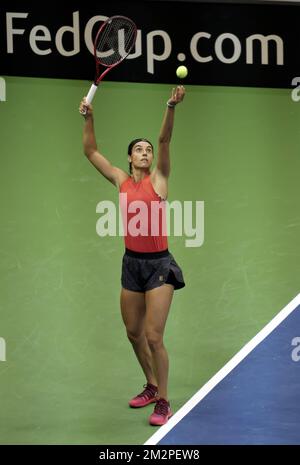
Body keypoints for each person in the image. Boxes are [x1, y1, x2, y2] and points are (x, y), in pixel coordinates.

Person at [79, 86, 186, 426]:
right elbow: (91, 151)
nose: (145, 153)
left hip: (159, 266)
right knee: (133, 333)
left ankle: (164, 402)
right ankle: (152, 385)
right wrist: (90, 118)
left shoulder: (159, 179)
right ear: (128, 158)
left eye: (148, 150)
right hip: (131, 264)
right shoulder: (121, 181)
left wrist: (170, 107)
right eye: (138, 150)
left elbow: (166, 141)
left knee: (154, 336)